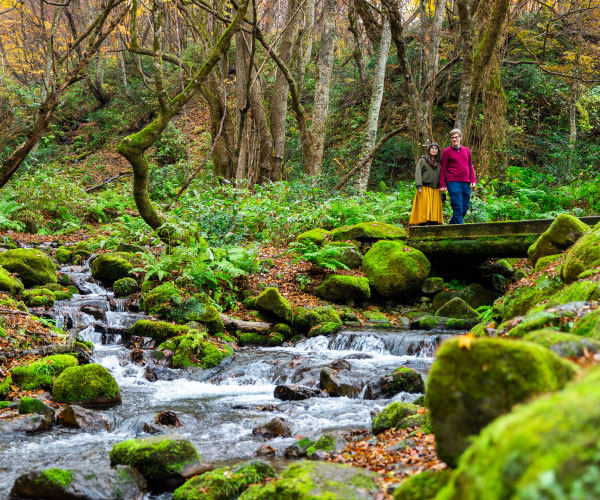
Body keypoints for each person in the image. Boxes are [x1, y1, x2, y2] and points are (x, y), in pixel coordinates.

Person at [439, 128, 476, 224]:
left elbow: (470, 165)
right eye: (452, 138)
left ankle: (451, 227)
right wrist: (442, 184)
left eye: (456, 137)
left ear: (460, 138)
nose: (454, 139)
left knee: (464, 208)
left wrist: (473, 179)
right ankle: (463, 233)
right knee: (458, 208)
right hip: (453, 182)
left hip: (466, 182)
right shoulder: (446, 152)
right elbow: (443, 169)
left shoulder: (466, 151)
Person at [409, 143, 443, 225]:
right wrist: (419, 185)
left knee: (434, 210)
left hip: (436, 189)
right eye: (432, 148)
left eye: (436, 148)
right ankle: (422, 225)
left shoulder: (439, 162)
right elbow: (418, 173)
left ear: (438, 151)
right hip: (424, 188)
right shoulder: (423, 160)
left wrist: (443, 186)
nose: (434, 149)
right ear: (429, 150)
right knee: (424, 210)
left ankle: (433, 225)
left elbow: (443, 174)